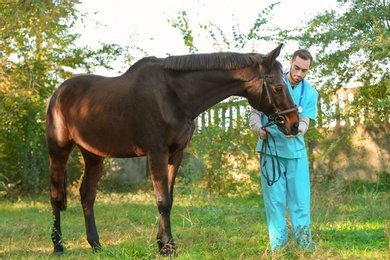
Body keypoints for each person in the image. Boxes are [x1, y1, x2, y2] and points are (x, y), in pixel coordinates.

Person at [249, 49, 318, 251]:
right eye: (296, 68)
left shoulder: (311, 93)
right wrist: (259, 129)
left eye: (304, 71)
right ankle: (278, 249)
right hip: (271, 152)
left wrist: (300, 130)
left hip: (296, 154)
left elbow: (305, 120)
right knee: (275, 203)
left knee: (301, 202)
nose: (299, 73)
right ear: (290, 63)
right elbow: (254, 114)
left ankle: (305, 247)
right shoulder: (272, 85)